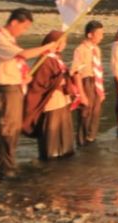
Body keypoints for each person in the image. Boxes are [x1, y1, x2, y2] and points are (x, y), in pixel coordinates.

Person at [0, 9, 64, 179]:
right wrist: (46, 48)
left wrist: (25, 76)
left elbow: (14, 64)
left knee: (14, 130)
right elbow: (23, 54)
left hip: (15, 90)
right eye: (23, 27)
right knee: (7, 131)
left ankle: (10, 167)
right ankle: (5, 171)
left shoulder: (10, 40)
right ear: (14, 22)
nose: (24, 31)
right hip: (6, 93)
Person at [23, 31, 78, 161]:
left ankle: (64, 152)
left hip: (62, 99)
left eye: (63, 43)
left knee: (63, 127)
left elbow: (59, 76)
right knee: (52, 129)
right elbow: (39, 82)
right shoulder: (45, 60)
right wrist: (60, 80)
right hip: (51, 101)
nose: (61, 45)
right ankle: (51, 155)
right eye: (59, 43)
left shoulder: (57, 58)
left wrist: (70, 74)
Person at [71, 20, 106, 146]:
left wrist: (101, 90)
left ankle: (91, 138)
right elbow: (76, 73)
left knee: (96, 113)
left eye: (103, 34)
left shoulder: (97, 49)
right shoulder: (80, 50)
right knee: (85, 113)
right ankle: (81, 141)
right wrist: (82, 94)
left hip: (96, 82)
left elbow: (99, 70)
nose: (102, 37)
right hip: (86, 83)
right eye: (99, 34)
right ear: (90, 35)